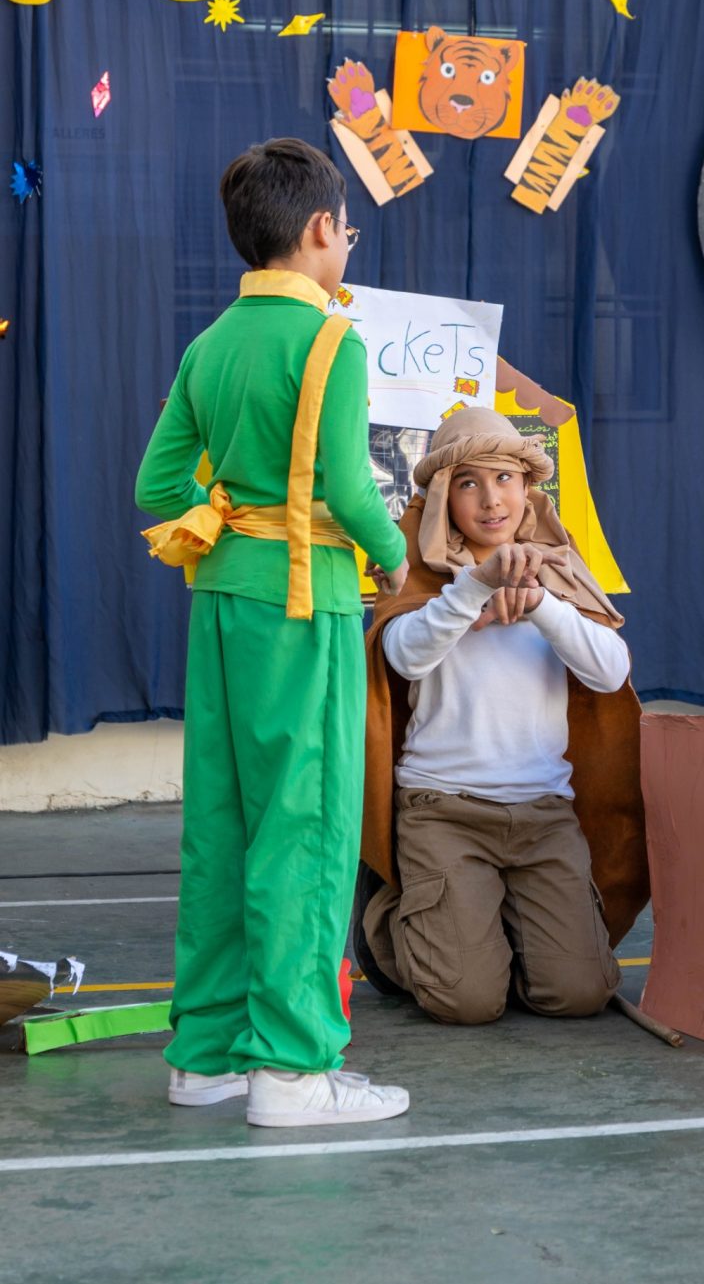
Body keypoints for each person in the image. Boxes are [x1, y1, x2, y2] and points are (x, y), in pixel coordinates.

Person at [135, 137, 411, 1127]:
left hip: (220, 606)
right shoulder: (333, 341)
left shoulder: (209, 345)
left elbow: (158, 490)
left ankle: (205, 1054)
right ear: (320, 232)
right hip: (306, 605)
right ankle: (293, 1072)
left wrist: (231, 511)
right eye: (348, 228)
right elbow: (348, 487)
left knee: (222, 823)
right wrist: (397, 553)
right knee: (306, 828)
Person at [354, 407, 649, 1025]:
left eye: (506, 479)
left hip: (543, 814)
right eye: (469, 483)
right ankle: (390, 923)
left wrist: (540, 602)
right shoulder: (418, 575)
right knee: (465, 1002)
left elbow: (611, 672)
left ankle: (492, 937)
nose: (492, 499)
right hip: (444, 810)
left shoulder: (560, 570)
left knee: (578, 993)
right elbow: (404, 657)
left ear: (527, 489)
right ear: (443, 497)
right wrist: (473, 590)